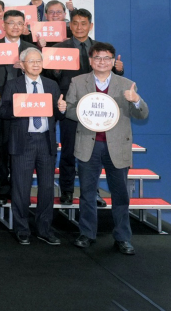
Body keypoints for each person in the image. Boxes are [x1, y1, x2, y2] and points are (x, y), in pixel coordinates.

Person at [66, 41, 148, 255]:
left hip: (117, 146)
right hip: (88, 145)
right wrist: (78, 112)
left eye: (106, 58)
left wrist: (136, 100)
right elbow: (70, 110)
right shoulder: (78, 82)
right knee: (87, 193)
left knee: (120, 194)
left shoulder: (127, 84)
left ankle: (123, 237)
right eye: (97, 58)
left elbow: (142, 114)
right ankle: (86, 234)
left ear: (113, 61)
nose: (101, 62)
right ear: (90, 60)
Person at [44, 8, 124, 205]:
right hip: (70, 106)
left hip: (97, 108)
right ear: (70, 25)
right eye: (75, 23)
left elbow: (111, 77)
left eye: (83, 23)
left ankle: (92, 192)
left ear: (91, 25)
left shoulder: (101, 49)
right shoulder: (58, 48)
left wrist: (119, 70)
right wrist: (55, 71)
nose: (79, 27)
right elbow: (48, 78)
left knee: (92, 154)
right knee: (69, 151)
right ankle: (67, 190)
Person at [0, 48, 65, 245]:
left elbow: (58, 115)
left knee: (47, 188)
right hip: (23, 141)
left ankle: (44, 228)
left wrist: (62, 109)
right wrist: (18, 109)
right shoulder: (13, 85)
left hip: (46, 141)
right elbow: (2, 111)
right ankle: (22, 228)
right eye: (31, 61)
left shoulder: (51, 85)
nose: (36, 64)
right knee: (21, 188)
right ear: (22, 64)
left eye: (39, 61)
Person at [0, 10, 38, 203]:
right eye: (11, 23)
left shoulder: (31, 49)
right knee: (0, 150)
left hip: (26, 107)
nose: (15, 27)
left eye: (19, 23)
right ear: (3, 25)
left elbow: (41, 75)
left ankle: (20, 190)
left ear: (24, 26)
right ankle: (2, 190)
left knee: (22, 152)